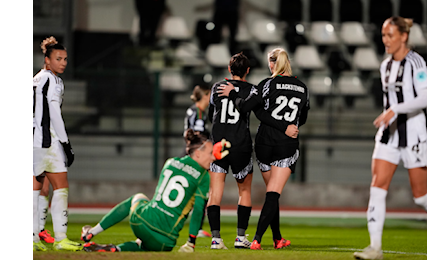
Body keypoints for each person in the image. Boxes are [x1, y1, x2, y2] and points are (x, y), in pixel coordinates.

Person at [218, 47, 309, 250]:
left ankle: (277, 238)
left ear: (272, 63)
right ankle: (258, 239)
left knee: (271, 192)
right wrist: (288, 127)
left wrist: (233, 94)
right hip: (286, 145)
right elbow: (301, 118)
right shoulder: (303, 87)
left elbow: (247, 108)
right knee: (273, 194)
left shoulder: (267, 84)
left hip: (264, 144)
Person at [80, 130, 230, 252]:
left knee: (138, 197)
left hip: (142, 222)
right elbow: (198, 210)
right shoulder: (203, 177)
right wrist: (191, 243)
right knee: (143, 245)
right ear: (198, 153)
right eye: (210, 153)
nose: (213, 157)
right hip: (166, 242)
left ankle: (93, 232)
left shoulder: (171, 162)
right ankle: (116, 249)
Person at [353, 17, 427, 260]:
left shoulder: (416, 63)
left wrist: (396, 109)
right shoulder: (385, 65)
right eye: (383, 35)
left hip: (414, 132)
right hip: (388, 135)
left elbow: (425, 98)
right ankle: (375, 248)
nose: (385, 40)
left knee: (421, 197)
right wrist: (390, 114)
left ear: (404, 36)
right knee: (377, 188)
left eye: (390, 35)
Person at [33, 36, 78, 251]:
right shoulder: (53, 80)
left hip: (34, 140)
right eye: (58, 58)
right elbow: (54, 113)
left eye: (66, 59)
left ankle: (34, 239)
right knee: (61, 187)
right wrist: (66, 144)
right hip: (47, 141)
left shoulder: (36, 78)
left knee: (36, 189)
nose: (63, 63)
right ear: (47, 60)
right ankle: (61, 239)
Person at [183, 84, 212, 237]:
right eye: (208, 96)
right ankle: (197, 227)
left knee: (187, 190)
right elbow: (199, 137)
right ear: (204, 96)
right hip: (198, 157)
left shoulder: (192, 110)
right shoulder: (199, 113)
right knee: (201, 192)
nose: (210, 99)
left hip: (189, 154)